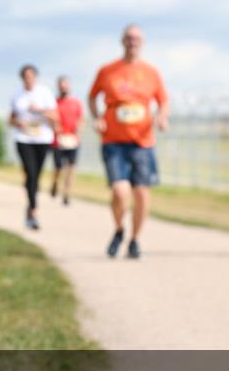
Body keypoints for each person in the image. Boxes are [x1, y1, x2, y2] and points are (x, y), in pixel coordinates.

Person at [88, 24, 169, 260]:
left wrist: (162, 116)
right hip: (114, 140)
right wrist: (97, 118)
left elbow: (163, 100)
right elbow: (92, 97)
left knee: (142, 193)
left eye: (136, 38)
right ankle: (119, 229)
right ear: (122, 41)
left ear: (142, 42)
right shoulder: (107, 70)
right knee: (120, 191)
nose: (132, 42)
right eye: (128, 38)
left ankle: (135, 239)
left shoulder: (151, 72)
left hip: (143, 141)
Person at [10, 65, 58, 230]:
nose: (28, 79)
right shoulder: (17, 95)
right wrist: (19, 123)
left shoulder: (45, 93)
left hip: (42, 138)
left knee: (36, 176)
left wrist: (41, 110)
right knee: (30, 172)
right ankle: (34, 211)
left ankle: (30, 205)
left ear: (36, 77)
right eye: (25, 77)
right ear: (22, 78)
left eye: (31, 76)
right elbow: (12, 119)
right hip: (23, 138)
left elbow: (55, 117)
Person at [51, 76, 84, 206]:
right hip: (58, 141)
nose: (63, 87)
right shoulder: (54, 103)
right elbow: (51, 118)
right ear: (58, 86)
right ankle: (55, 183)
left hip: (73, 140)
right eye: (61, 85)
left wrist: (78, 127)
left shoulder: (76, 102)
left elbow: (81, 118)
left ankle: (67, 194)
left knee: (71, 168)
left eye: (66, 85)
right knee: (58, 168)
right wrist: (55, 126)